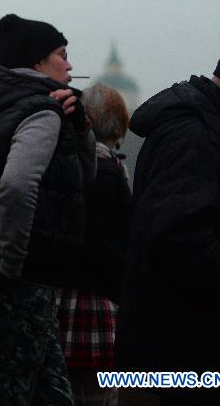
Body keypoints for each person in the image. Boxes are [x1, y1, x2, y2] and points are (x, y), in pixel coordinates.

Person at [0, 14, 97, 406]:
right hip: (20, 280)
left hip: (8, 273)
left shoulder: (0, 107)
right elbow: (18, 187)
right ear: (38, 62)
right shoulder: (41, 111)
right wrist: (11, 266)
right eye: (62, 54)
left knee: (49, 394)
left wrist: (81, 127)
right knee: (2, 395)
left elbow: (80, 174)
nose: (69, 65)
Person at [115, 27, 220, 405]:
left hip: (194, 347)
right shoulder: (194, 137)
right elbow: (179, 240)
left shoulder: (211, 133)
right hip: (190, 352)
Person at [57, 83, 132, 406]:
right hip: (96, 298)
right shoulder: (107, 171)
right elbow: (104, 242)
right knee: (100, 394)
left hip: (66, 296)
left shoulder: (70, 163)